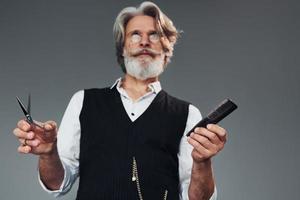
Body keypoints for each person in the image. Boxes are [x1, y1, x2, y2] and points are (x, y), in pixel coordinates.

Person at [13, 2, 227, 200]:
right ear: (122, 48)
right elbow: (57, 184)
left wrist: (202, 162)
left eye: (154, 35)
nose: (144, 41)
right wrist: (49, 154)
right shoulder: (83, 102)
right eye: (135, 35)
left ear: (165, 50)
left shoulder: (187, 114)